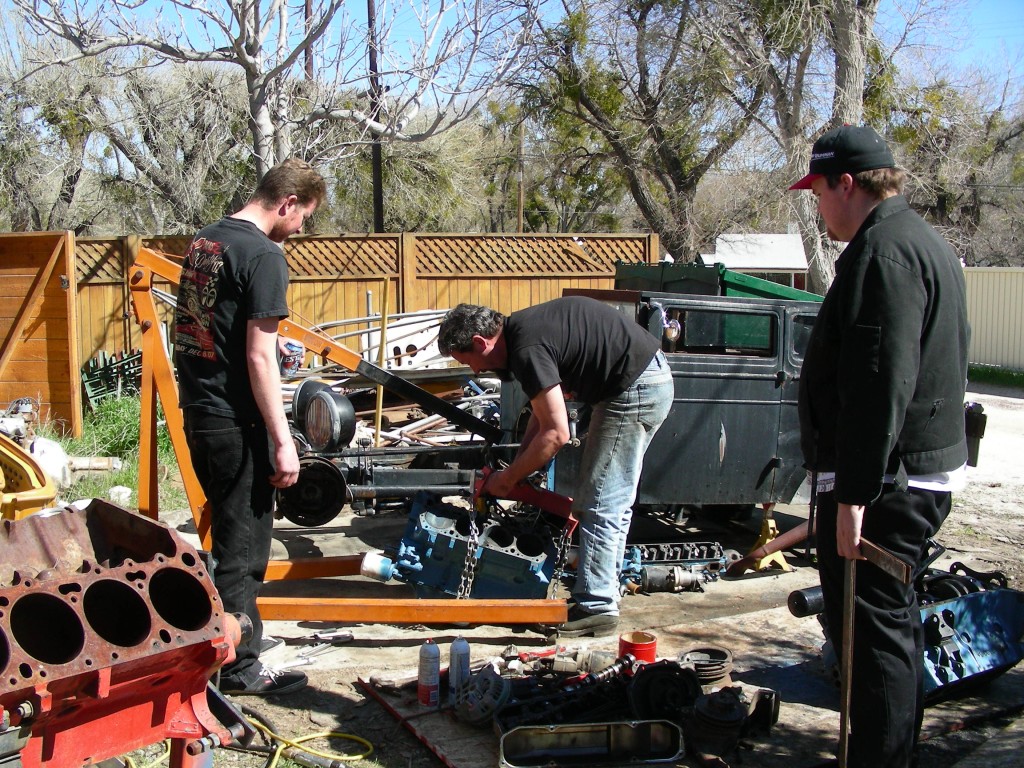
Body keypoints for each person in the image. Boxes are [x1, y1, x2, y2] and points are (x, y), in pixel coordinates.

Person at [791, 125, 970, 767]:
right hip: (899, 475)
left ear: (847, 184)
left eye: (819, 192)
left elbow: (880, 381)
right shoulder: (917, 242)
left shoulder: (884, 253)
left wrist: (854, 494)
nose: (817, 206)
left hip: (887, 485)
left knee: (874, 637)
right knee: (886, 630)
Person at [174, 158, 326, 696]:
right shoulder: (265, 255)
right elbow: (260, 361)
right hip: (238, 424)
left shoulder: (206, 241)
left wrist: (265, 347)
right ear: (286, 204)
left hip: (200, 412)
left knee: (222, 545)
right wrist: (284, 442)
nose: (302, 227)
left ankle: (220, 651)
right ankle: (236, 672)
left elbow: (201, 330)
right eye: (304, 215)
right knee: (242, 555)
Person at [437, 297, 674, 637]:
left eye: (471, 362)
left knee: (600, 502)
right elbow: (544, 411)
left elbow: (557, 434)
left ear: (480, 342)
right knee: (609, 501)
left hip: (634, 388)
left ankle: (597, 607)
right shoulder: (523, 329)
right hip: (642, 378)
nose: (476, 372)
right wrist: (518, 466)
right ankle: (604, 591)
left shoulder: (526, 348)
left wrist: (508, 479)